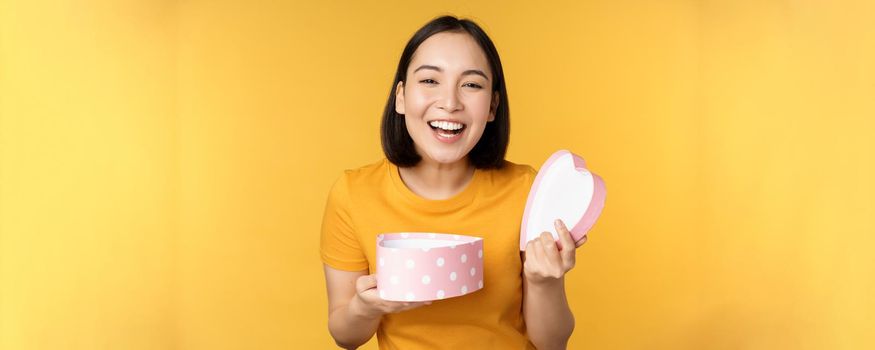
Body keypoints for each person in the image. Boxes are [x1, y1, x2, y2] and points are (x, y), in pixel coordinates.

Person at [320, 15, 585, 350]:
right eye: (430, 80)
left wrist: (544, 280)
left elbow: (553, 343)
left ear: (492, 106)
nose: (450, 102)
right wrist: (365, 307)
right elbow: (344, 335)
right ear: (401, 97)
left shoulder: (527, 191)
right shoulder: (353, 194)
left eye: (471, 85)